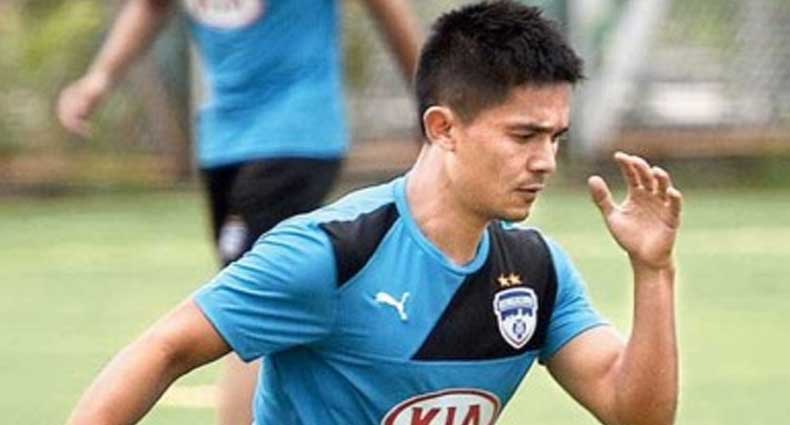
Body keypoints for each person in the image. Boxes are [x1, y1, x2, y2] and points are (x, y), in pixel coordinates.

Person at [65, 1, 682, 424]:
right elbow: (163, 349)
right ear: (442, 128)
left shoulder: (536, 271)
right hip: (239, 142)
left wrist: (653, 272)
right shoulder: (332, 253)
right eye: (524, 136)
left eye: (555, 138)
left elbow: (635, 413)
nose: (545, 161)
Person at [57, 1, 421, 424]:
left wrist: (430, 95)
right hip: (223, 142)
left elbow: (386, 7)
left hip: (295, 135)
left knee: (249, 310)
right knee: (260, 297)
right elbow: (152, 7)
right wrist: (100, 78)